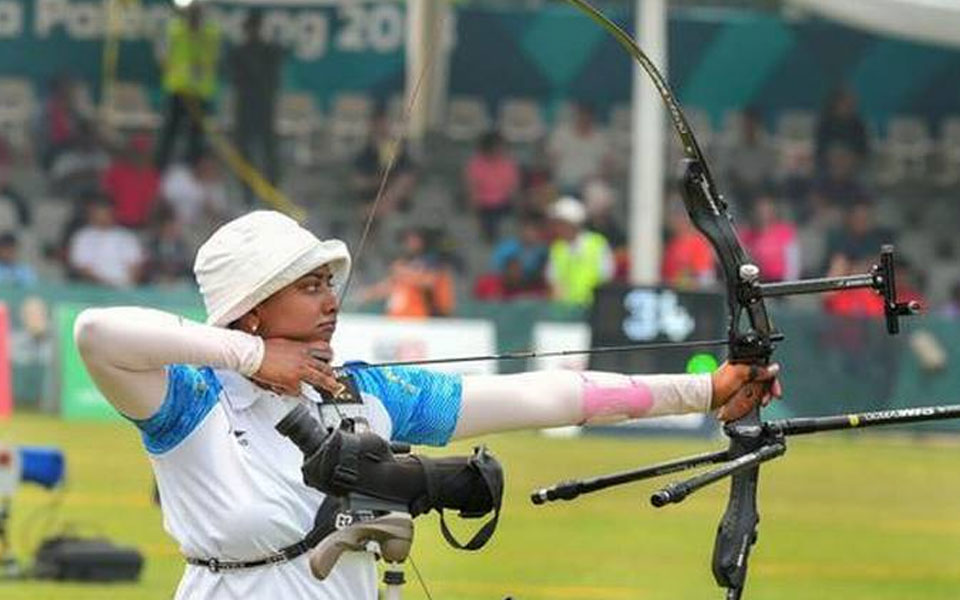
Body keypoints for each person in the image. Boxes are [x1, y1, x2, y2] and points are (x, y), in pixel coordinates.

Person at [73, 210, 781, 600]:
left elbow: (543, 395)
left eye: (329, 282)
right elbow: (96, 333)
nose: (332, 300)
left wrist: (702, 390)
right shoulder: (188, 400)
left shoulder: (366, 393)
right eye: (308, 285)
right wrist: (255, 361)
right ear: (251, 310)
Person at [155, 3, 220, 169]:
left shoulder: (211, 33)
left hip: (199, 93)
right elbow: (162, 57)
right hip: (178, 90)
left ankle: (190, 169)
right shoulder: (174, 30)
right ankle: (160, 170)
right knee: (169, 133)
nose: (194, 15)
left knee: (196, 137)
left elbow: (215, 59)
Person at [229, 10, 283, 203]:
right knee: (245, 154)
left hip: (263, 108)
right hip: (246, 108)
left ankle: (272, 193)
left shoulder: (270, 51)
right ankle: (247, 195)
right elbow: (234, 79)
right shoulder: (239, 52)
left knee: (269, 154)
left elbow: (274, 77)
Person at [359, 227, 456, 318]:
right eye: (408, 240)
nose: (410, 243)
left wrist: (403, 272)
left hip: (417, 317)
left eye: (414, 239)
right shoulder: (404, 263)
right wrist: (368, 293)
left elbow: (429, 281)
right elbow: (389, 284)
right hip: (396, 317)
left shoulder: (432, 262)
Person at [545, 196, 614, 306]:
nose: (556, 228)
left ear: (572, 224)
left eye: (560, 223)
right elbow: (554, 284)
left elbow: (606, 278)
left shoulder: (597, 243)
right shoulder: (557, 249)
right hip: (566, 312)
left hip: (594, 310)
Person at [67, 198, 144, 288]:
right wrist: (106, 285)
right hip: (94, 287)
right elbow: (82, 268)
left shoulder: (127, 236)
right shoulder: (82, 236)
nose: (102, 217)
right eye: (99, 213)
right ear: (92, 215)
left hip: (125, 287)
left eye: (105, 213)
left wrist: (130, 285)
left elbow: (135, 265)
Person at [464, 131, 520, 243]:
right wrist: (474, 210)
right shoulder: (476, 164)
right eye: (496, 147)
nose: (499, 150)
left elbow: (513, 188)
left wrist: (517, 207)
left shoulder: (508, 164)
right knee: (487, 223)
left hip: (503, 204)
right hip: (483, 205)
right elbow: (472, 189)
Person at [547, 103, 611, 193]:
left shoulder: (600, 137)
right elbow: (552, 158)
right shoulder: (561, 134)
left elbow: (607, 162)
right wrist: (555, 179)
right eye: (582, 116)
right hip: (565, 181)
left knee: (600, 194)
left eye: (587, 117)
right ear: (576, 116)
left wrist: (599, 177)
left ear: (592, 118)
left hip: (592, 183)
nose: (584, 119)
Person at [102, 134, 160, 229]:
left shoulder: (152, 175)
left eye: (143, 153)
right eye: (136, 152)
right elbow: (105, 196)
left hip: (140, 225)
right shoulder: (116, 170)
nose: (139, 156)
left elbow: (153, 202)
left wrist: (150, 223)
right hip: (115, 224)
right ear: (129, 152)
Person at [741, 193, 800, 283]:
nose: (763, 215)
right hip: (758, 280)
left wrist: (790, 281)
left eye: (766, 211)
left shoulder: (784, 232)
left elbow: (792, 259)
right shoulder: (747, 235)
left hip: (780, 281)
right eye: (759, 211)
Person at [661, 199, 715, 289]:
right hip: (672, 294)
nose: (672, 220)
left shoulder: (698, 244)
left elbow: (705, 279)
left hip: (691, 296)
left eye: (677, 215)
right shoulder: (672, 244)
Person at [815, 88, 869, 170]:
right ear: (836, 104)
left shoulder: (858, 125)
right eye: (845, 104)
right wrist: (834, 156)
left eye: (851, 104)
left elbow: (863, 148)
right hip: (828, 164)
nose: (848, 107)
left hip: (853, 165)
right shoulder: (825, 124)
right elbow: (821, 147)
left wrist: (850, 157)